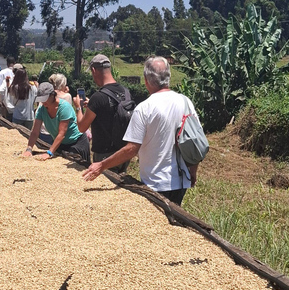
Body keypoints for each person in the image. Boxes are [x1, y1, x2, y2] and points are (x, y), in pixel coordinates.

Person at [82, 56, 198, 206]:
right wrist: (193, 171)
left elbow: (131, 149)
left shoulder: (144, 108)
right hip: (181, 180)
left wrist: (101, 165)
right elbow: (195, 140)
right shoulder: (185, 101)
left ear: (146, 80)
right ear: (168, 77)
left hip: (155, 183)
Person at [77, 54, 130, 173]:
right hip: (124, 153)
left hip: (104, 156)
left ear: (94, 70)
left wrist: (78, 108)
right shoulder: (125, 92)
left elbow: (81, 127)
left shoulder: (98, 97)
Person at [22, 82, 89, 162]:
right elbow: (35, 131)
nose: (43, 102)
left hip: (77, 143)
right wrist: (29, 149)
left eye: (45, 99)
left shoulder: (64, 107)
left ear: (52, 95)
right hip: (61, 144)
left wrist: (49, 152)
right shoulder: (42, 109)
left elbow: (61, 134)